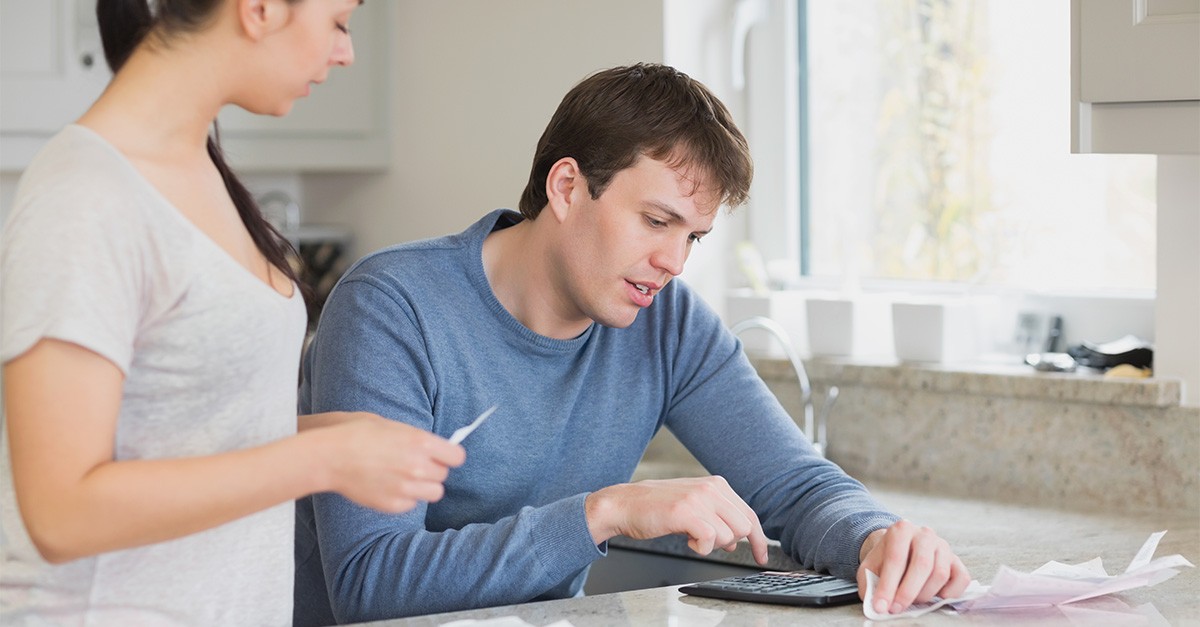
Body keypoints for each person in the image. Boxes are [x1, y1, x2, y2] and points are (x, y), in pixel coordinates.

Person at [294, 62, 971, 626]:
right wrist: (605, 511)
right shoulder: (392, 306)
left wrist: (877, 536)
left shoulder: (666, 322)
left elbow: (796, 486)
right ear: (567, 187)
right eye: (655, 220)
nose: (674, 260)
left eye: (692, 237)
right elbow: (369, 582)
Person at [0, 1, 466, 624]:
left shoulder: (198, 170)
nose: (346, 51)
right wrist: (322, 460)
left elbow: (180, 440)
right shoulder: (85, 196)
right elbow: (62, 512)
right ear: (262, 9)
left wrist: (335, 437)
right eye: (338, 20)